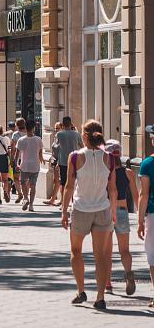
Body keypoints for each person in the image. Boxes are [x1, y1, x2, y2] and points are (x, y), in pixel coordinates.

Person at [61, 120, 117, 310]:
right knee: (100, 255)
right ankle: (100, 297)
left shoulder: (75, 157)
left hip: (81, 210)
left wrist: (63, 211)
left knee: (76, 251)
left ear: (84, 136)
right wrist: (114, 211)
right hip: (102, 210)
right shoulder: (109, 158)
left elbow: (69, 186)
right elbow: (113, 189)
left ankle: (81, 290)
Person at [104, 140, 138, 295]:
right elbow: (136, 195)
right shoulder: (128, 172)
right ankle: (128, 274)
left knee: (106, 251)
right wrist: (140, 217)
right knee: (125, 250)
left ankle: (108, 282)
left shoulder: (104, 172)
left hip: (106, 212)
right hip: (123, 211)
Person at [48, 116, 84, 206]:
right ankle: (73, 202)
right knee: (74, 181)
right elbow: (82, 146)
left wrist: (56, 158)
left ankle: (64, 203)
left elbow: (54, 147)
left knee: (64, 183)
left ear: (63, 124)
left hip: (63, 161)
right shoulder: (76, 134)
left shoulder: (59, 134)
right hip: (75, 161)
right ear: (70, 123)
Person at [138, 124, 154, 308]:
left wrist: (140, 220)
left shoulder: (147, 164)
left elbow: (144, 194)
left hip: (153, 214)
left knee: (153, 256)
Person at [16, 119, 44, 212]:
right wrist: (42, 159)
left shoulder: (21, 140)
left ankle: (25, 198)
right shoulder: (38, 139)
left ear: (25, 128)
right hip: (35, 165)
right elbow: (40, 153)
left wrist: (16, 163)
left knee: (23, 183)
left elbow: (17, 153)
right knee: (33, 185)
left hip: (24, 165)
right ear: (33, 128)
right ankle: (31, 205)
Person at [44, 122, 63, 206]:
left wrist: (59, 162)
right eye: (55, 128)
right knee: (56, 181)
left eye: (58, 128)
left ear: (62, 128)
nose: (56, 130)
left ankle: (61, 200)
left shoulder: (62, 137)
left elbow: (62, 151)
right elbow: (54, 150)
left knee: (60, 181)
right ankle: (53, 199)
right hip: (54, 160)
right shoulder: (56, 137)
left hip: (60, 161)